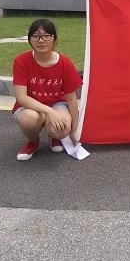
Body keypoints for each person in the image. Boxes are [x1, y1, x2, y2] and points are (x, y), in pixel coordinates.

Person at [12, 19, 83, 161]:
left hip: (58, 104)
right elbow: (21, 97)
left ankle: (55, 136)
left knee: (62, 128)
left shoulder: (65, 63)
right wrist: (49, 112)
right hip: (31, 106)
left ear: (54, 40)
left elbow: (71, 99)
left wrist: (74, 131)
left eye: (46, 36)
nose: (41, 40)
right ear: (30, 40)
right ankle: (33, 141)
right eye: (36, 36)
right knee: (29, 119)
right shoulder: (21, 60)